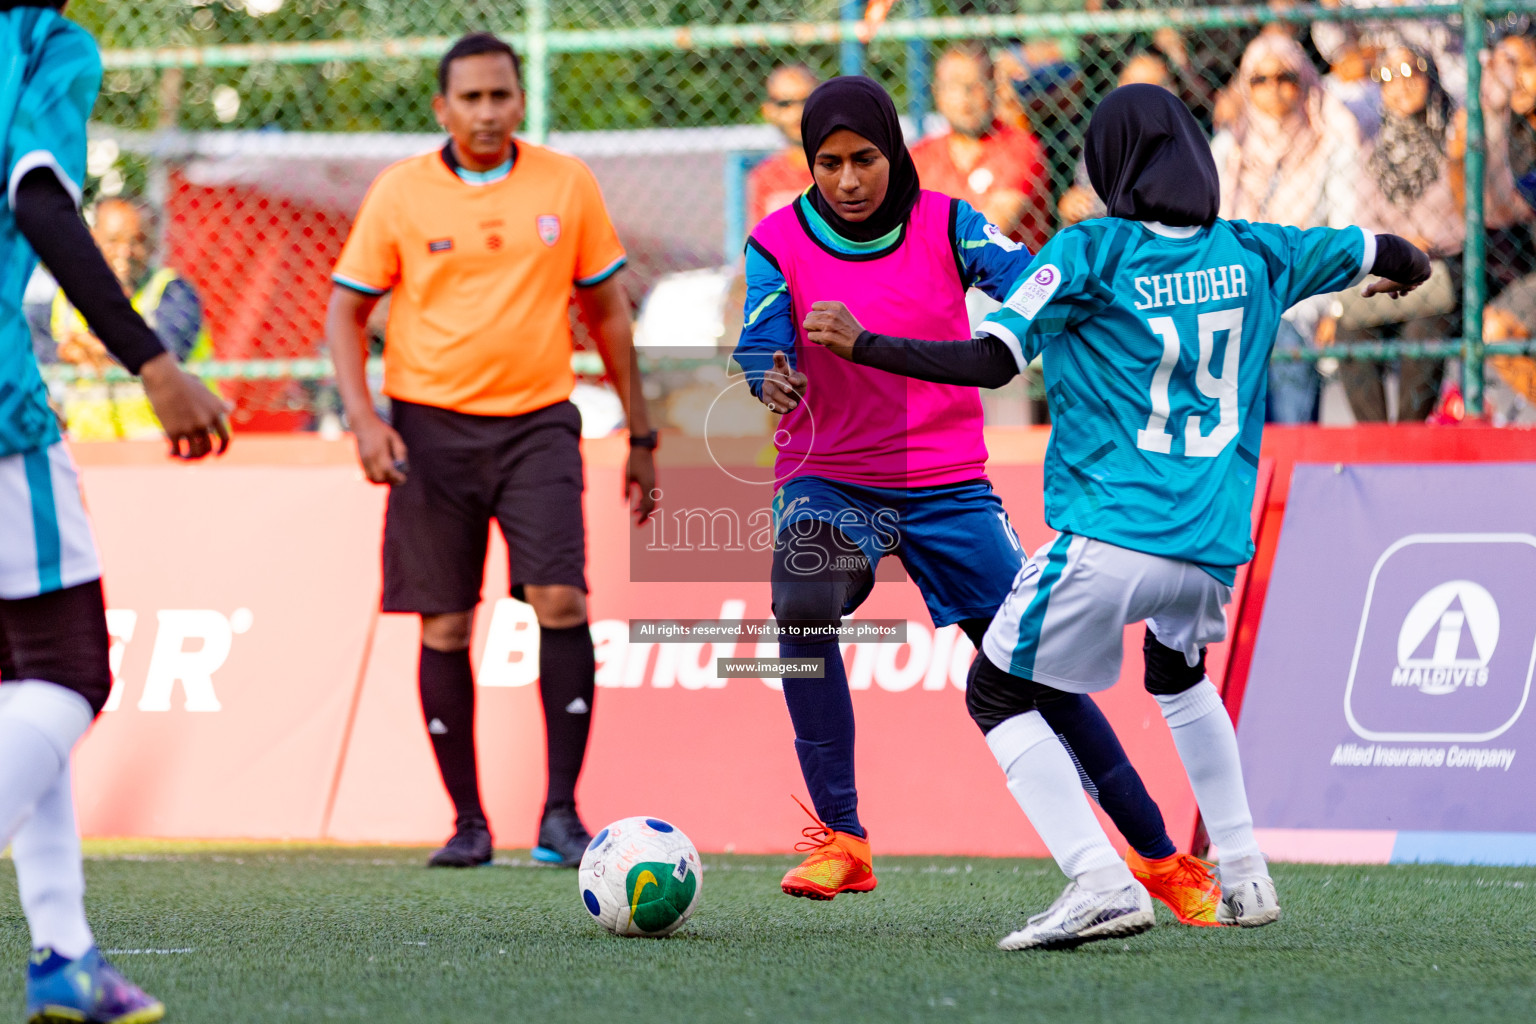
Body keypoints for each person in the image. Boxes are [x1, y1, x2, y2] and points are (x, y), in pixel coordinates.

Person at [802, 83, 1432, 950]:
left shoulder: (1091, 251)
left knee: (993, 689)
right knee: (1177, 676)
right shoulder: (1258, 248)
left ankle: (1099, 883)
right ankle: (1245, 875)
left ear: (1111, 166)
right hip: (1211, 546)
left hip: (1110, 532)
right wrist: (1406, 275)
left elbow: (993, 362)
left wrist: (864, 344)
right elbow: (1393, 250)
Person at [734, 76, 1222, 926]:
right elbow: (759, 338)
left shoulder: (950, 222)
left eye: (864, 159)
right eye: (829, 163)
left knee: (1034, 666)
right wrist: (766, 376)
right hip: (829, 476)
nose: (847, 180)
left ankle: (1157, 856)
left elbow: (1034, 284)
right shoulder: (776, 241)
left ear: (893, 150)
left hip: (947, 484)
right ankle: (841, 840)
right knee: (800, 606)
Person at [325, 33, 656, 870]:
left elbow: (609, 314)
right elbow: (344, 313)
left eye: (499, 96)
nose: (485, 112)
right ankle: (468, 822)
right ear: (442, 108)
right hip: (429, 431)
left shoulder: (564, 182)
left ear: (519, 101)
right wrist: (366, 420)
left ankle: (558, 816)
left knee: (563, 603)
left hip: (539, 423)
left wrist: (643, 432)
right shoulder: (401, 193)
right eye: (469, 98)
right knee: (444, 621)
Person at [0, 2, 229, 1020]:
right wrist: (153, 361)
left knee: (23, 676)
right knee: (70, 670)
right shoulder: (43, 41)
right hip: (3, 420)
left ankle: (63, 951)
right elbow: (42, 201)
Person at [1212, 33, 1362, 424]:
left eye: (1285, 78)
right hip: (1232, 289)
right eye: (1259, 80)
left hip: (1303, 288)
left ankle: (1293, 466)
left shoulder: (1331, 144)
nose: (1273, 89)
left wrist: (1336, 305)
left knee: (1281, 333)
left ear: (1304, 82)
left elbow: (1345, 230)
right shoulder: (1229, 148)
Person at [1341, 46, 1463, 422]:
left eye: (1412, 71)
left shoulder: (1455, 138)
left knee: (1422, 333)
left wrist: (1416, 243)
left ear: (1432, 77)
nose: (1402, 84)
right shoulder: (1373, 148)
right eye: (1388, 76)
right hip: (1390, 268)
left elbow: (1462, 219)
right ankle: (1377, 440)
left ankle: (1409, 438)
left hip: (1439, 268)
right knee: (1350, 334)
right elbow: (1365, 217)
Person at [49, 197, 211, 440]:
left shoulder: (174, 293)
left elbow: (165, 354)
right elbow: (37, 347)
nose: (125, 252)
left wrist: (95, 349)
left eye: (138, 241)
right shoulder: (67, 296)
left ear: (155, 244)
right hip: (92, 448)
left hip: (169, 442)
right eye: (113, 241)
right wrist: (60, 353)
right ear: (93, 240)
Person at [911, 43, 1052, 253]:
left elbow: (987, 232)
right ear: (936, 92)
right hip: (937, 277)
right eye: (953, 86)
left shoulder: (1020, 147)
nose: (964, 98)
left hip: (1009, 282)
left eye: (975, 85)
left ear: (993, 87)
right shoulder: (919, 156)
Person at [746, 63, 819, 230]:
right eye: (785, 104)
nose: (798, 112)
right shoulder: (765, 177)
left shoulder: (844, 169)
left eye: (806, 101)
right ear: (768, 111)